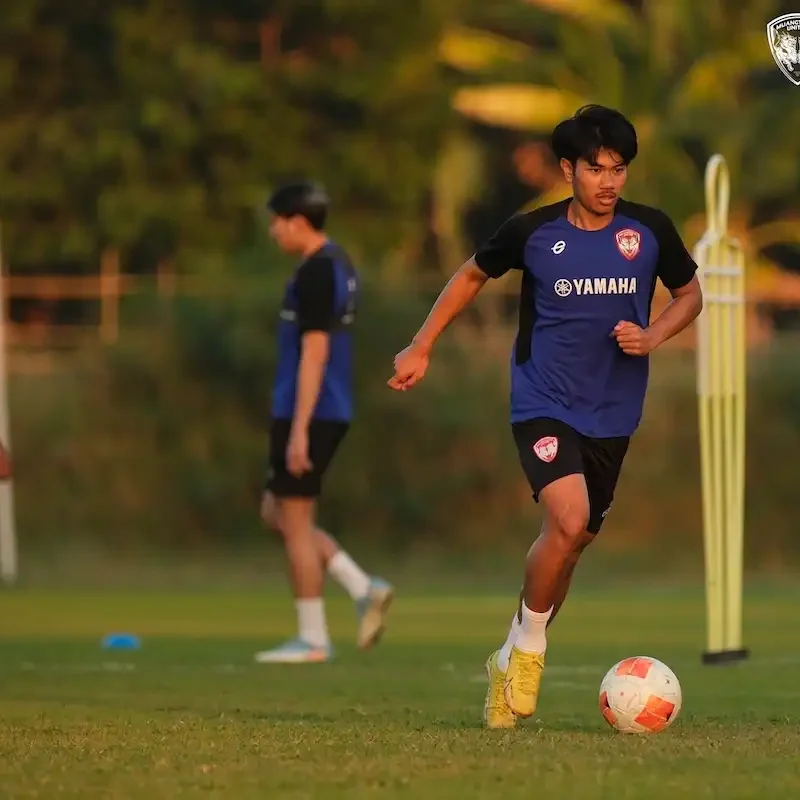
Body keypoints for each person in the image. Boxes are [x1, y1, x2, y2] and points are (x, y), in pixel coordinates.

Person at [388, 105, 703, 727]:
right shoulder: (533, 233)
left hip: (613, 412)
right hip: (543, 401)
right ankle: (530, 650)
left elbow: (690, 295)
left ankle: (506, 655)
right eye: (596, 169)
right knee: (568, 517)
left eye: (618, 169)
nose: (608, 182)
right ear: (568, 169)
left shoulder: (649, 231)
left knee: (571, 545)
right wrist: (421, 344)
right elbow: (471, 275)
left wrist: (653, 335)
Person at [255, 180, 394, 664]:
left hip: (309, 411)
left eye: (276, 221)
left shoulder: (317, 271)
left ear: (296, 221)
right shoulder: (337, 263)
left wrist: (299, 430)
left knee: (295, 523)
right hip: (318, 409)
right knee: (276, 512)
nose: (273, 231)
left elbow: (315, 352)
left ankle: (313, 638)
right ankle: (362, 587)